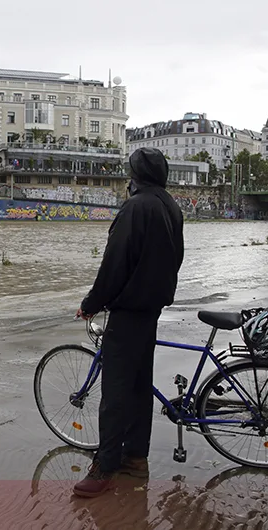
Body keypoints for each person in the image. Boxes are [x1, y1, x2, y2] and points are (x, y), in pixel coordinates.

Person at [73, 147, 185, 498]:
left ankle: (105, 466)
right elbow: (176, 257)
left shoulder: (135, 208)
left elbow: (114, 264)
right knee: (139, 387)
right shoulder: (169, 205)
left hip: (128, 310)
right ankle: (136, 457)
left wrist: (92, 303)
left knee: (116, 393)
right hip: (151, 308)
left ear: (134, 176)